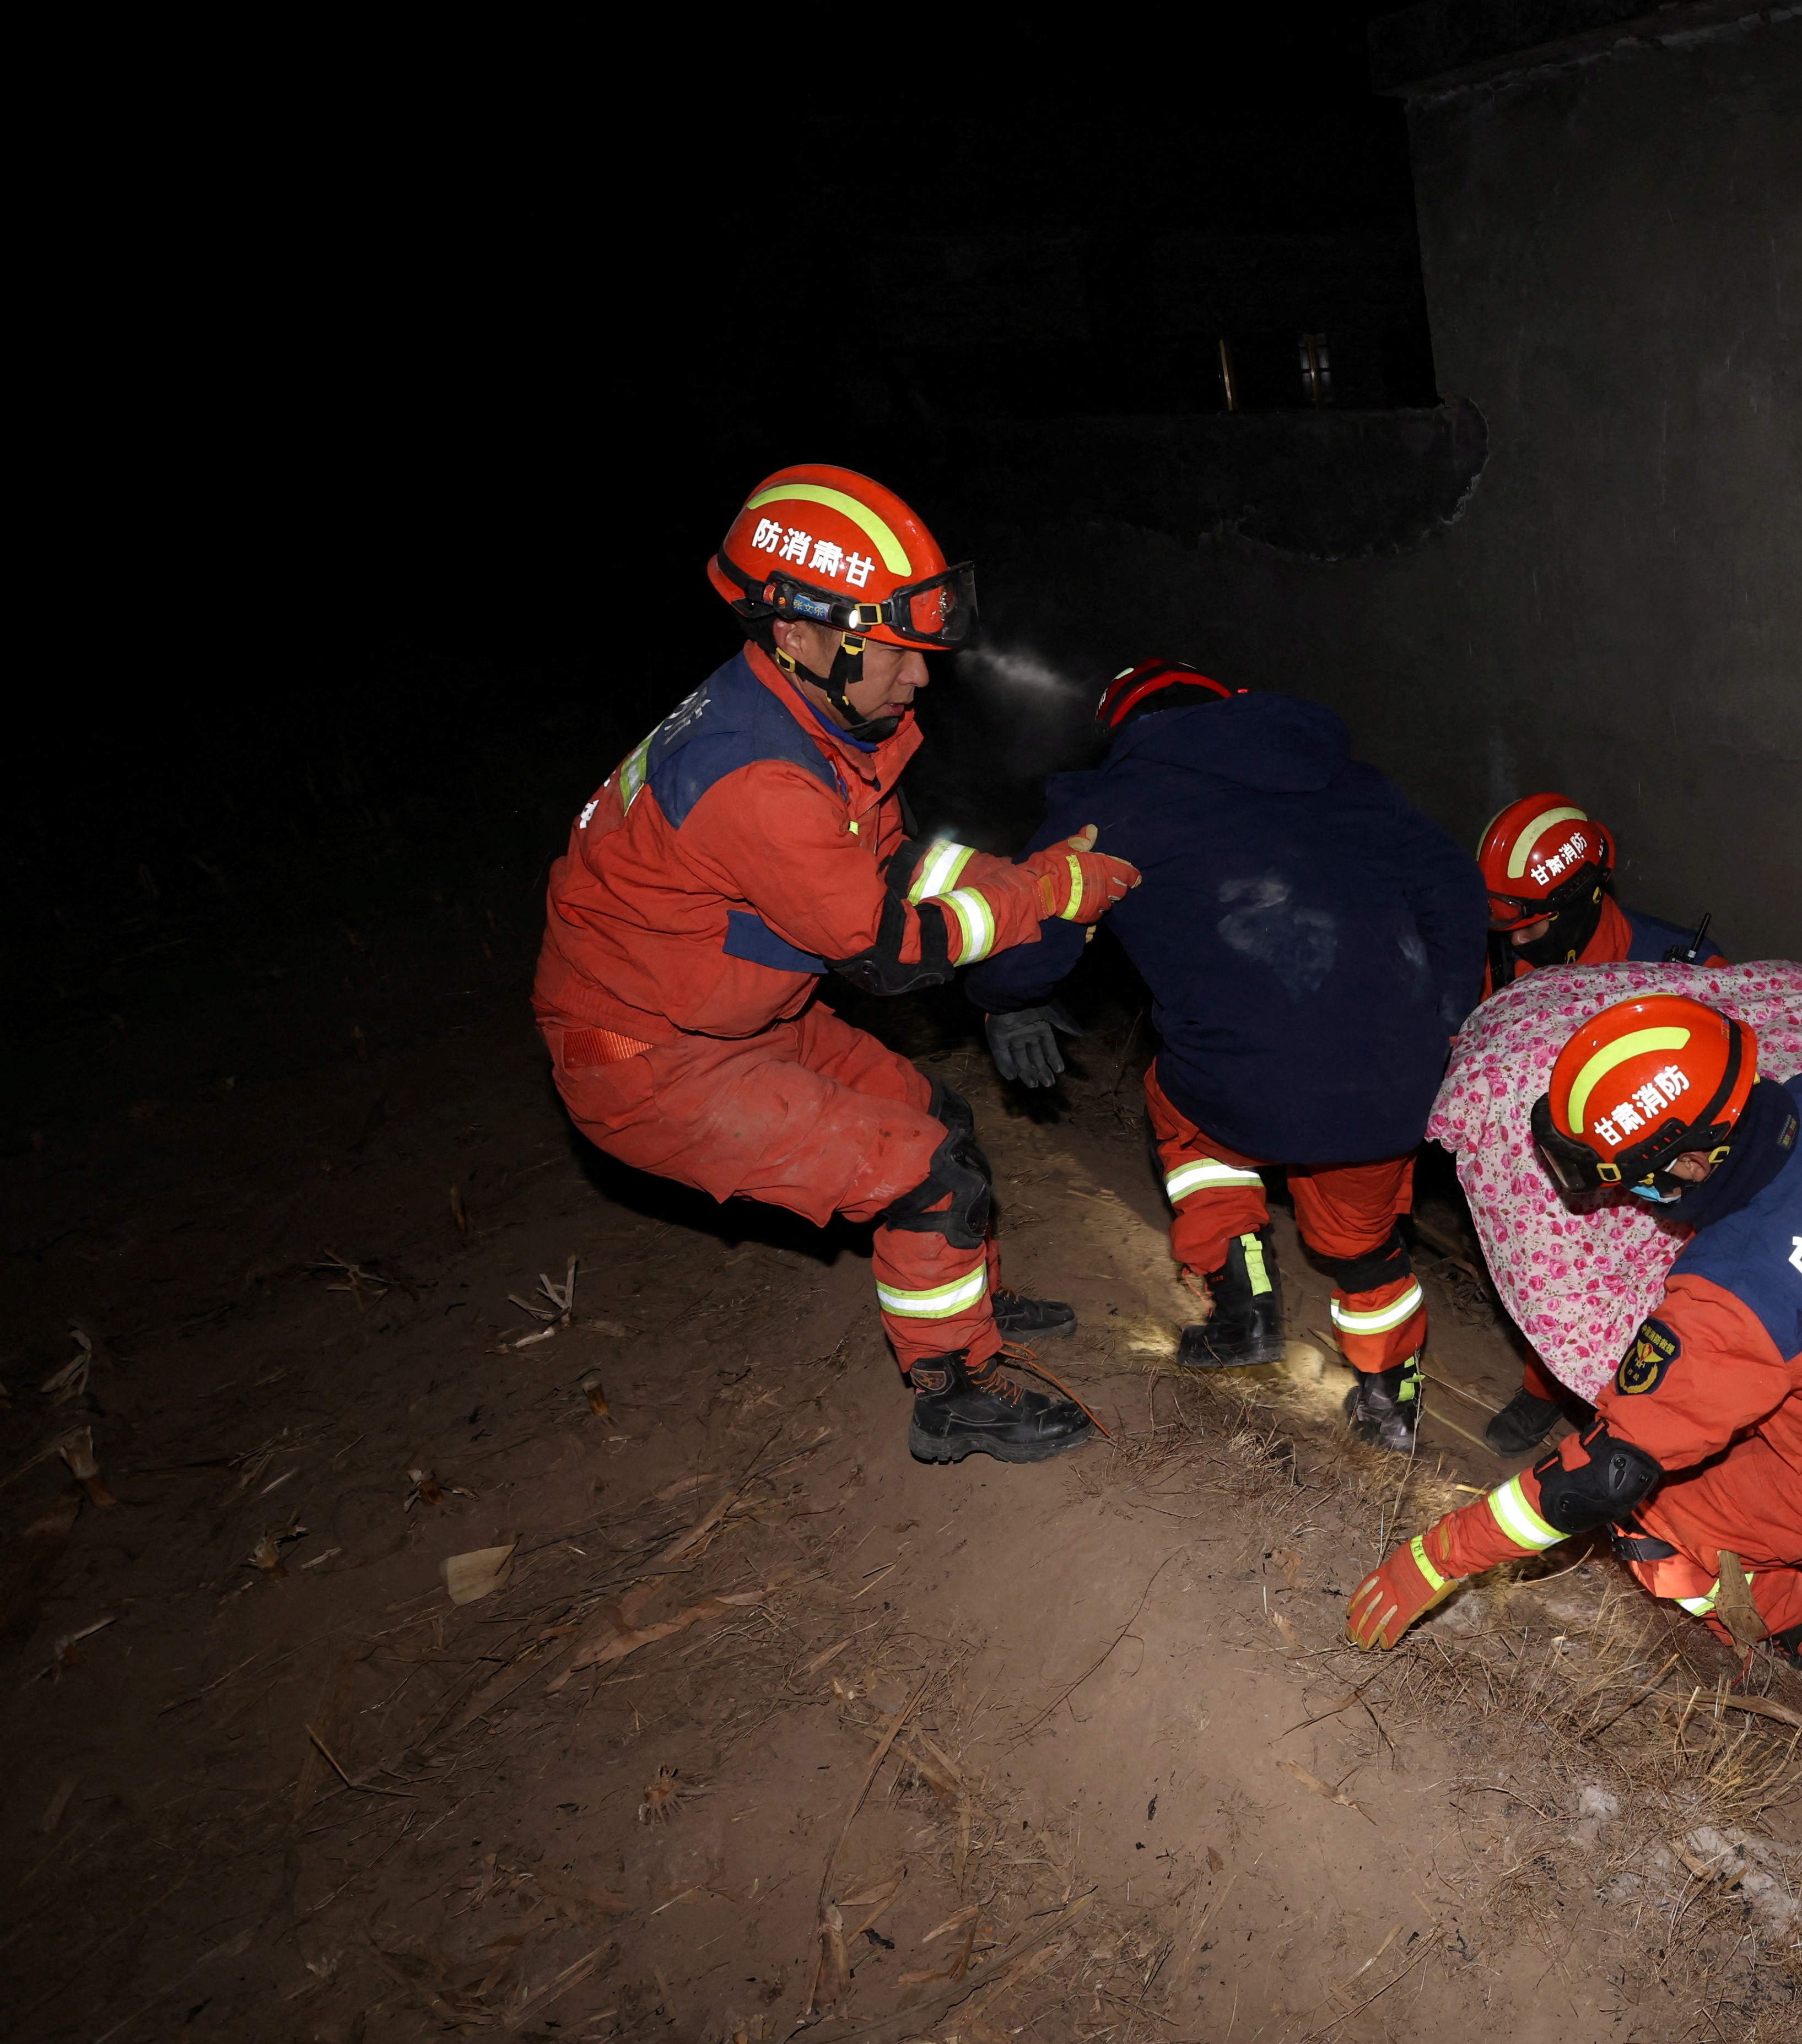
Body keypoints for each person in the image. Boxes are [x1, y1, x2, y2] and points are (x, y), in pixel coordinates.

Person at [533, 466, 1132, 1465]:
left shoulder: (826, 723)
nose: (921, 677)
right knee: (924, 1177)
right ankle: (955, 1394)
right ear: (799, 633)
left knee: (943, 1118)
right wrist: (1049, 897)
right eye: (894, 651)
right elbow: (893, 952)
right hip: (647, 1055)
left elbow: (896, 864)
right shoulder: (758, 778)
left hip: (733, 1010)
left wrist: (1020, 874)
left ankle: (965, 1297)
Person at [1342, 996, 1802, 1788]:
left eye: (1636, 1182)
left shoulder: (1737, 1291)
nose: (1633, 1202)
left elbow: (1599, 1476)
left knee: (1652, 1520)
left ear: (1690, 1161)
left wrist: (1436, 1561)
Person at [964, 658, 1486, 1451]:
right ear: (1237, 704)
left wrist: (1005, 998)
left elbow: (1033, 915)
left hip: (1242, 1085)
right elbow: (1453, 884)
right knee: (1360, 1239)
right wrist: (1446, 1013)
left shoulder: (1122, 800)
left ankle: (1240, 1298)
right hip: (1392, 1084)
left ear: (1128, 732)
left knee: (1181, 1112)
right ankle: (1390, 1397)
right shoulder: (1354, 782)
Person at [1470, 793, 1740, 1456]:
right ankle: (1544, 1387)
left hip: (1660, 1181)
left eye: (1529, 927)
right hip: (1566, 1179)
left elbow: (1734, 1082)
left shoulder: (1684, 971)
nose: (1516, 943)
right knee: (1556, 1285)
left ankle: (1625, 1422)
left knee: (1667, 1314)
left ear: (1582, 898)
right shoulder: (1508, 965)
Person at [1475, 792, 1731, 997]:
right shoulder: (1496, 964)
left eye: (1530, 926)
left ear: (1576, 910)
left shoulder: (1700, 976)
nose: (1516, 940)